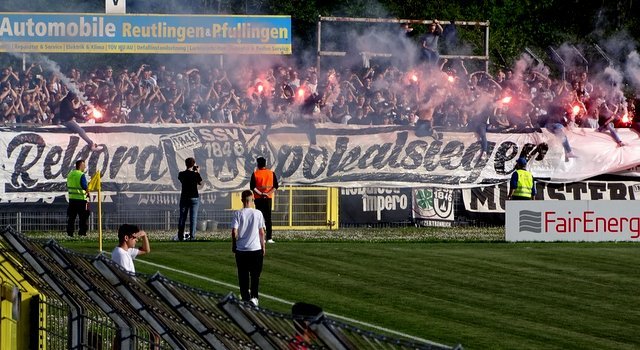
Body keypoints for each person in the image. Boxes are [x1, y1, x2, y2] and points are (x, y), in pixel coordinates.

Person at [231, 190, 266, 306]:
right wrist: (263, 246)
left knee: (243, 275)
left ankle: (245, 297)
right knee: (255, 275)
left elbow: (234, 232)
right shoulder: (258, 213)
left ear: (242, 200)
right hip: (255, 249)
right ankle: (254, 298)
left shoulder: (238, 213)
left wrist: (234, 244)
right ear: (252, 200)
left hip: (241, 249)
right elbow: (261, 232)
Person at [250, 156, 279, 243]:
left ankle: (259, 237)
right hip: (268, 198)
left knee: (259, 218)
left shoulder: (255, 174)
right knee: (268, 218)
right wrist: (268, 193)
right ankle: (269, 238)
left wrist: (261, 194)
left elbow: (252, 187)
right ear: (265, 164)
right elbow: (275, 186)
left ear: (258, 164)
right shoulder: (271, 173)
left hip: (258, 198)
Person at [177, 157, 203, 241]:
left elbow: (181, 180)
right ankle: (192, 236)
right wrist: (197, 172)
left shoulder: (181, 174)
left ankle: (180, 236)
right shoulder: (195, 174)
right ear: (193, 164)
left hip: (184, 197)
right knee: (193, 218)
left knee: (182, 218)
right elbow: (200, 183)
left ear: (186, 164)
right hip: (194, 198)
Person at [66, 159, 90, 237]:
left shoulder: (70, 174)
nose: (85, 167)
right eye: (84, 165)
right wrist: (88, 192)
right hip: (81, 200)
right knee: (83, 218)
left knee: (71, 218)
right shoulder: (81, 174)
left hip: (72, 199)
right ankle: (82, 233)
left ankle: (70, 233)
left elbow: (67, 185)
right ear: (81, 166)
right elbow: (84, 186)